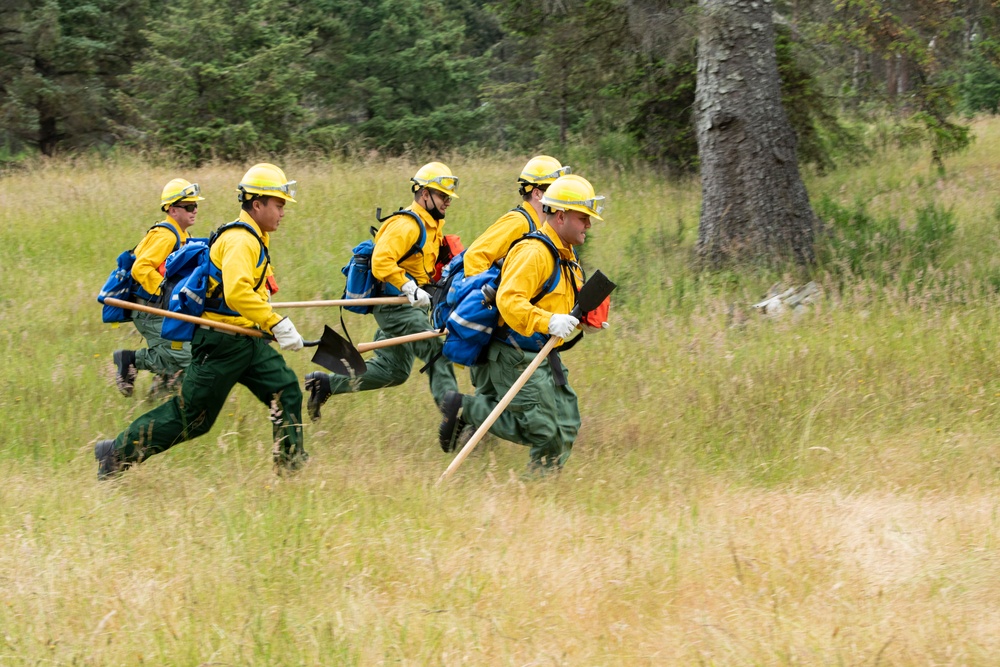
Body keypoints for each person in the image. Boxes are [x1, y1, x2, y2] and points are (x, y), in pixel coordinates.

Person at [94, 163, 308, 479]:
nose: (283, 212)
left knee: (286, 389)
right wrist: (276, 322)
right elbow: (236, 293)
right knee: (193, 417)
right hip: (220, 343)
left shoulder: (257, 238)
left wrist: (264, 326)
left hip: (246, 340)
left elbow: (249, 292)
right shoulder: (240, 240)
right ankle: (116, 453)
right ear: (257, 203)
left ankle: (291, 469)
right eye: (278, 205)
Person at [437, 174, 606, 475]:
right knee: (540, 429)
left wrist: (584, 322)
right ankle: (467, 408)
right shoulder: (534, 252)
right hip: (515, 351)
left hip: (545, 349)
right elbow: (509, 301)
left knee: (566, 422)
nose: (588, 226)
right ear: (562, 215)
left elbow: (562, 302)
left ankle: (539, 487)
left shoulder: (567, 255)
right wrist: (549, 320)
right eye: (584, 218)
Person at [305, 162, 460, 421]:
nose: (447, 202)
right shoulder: (407, 224)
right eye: (443, 196)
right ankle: (456, 423)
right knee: (436, 352)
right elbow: (380, 261)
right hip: (395, 306)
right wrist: (408, 286)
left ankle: (326, 385)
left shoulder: (432, 224)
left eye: (448, 197)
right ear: (424, 194)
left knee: (393, 371)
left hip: (407, 306)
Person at [112, 178, 202, 398]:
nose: (194, 210)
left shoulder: (183, 236)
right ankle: (131, 360)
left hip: (166, 307)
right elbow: (141, 268)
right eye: (189, 206)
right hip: (149, 309)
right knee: (184, 356)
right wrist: (167, 293)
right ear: (172, 210)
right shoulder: (165, 235)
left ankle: (157, 400)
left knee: (177, 357)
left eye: (196, 206)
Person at [462, 155, 570, 277]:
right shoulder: (518, 222)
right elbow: (475, 256)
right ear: (537, 194)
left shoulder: (542, 227)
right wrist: (487, 294)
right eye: (555, 191)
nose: (560, 197)